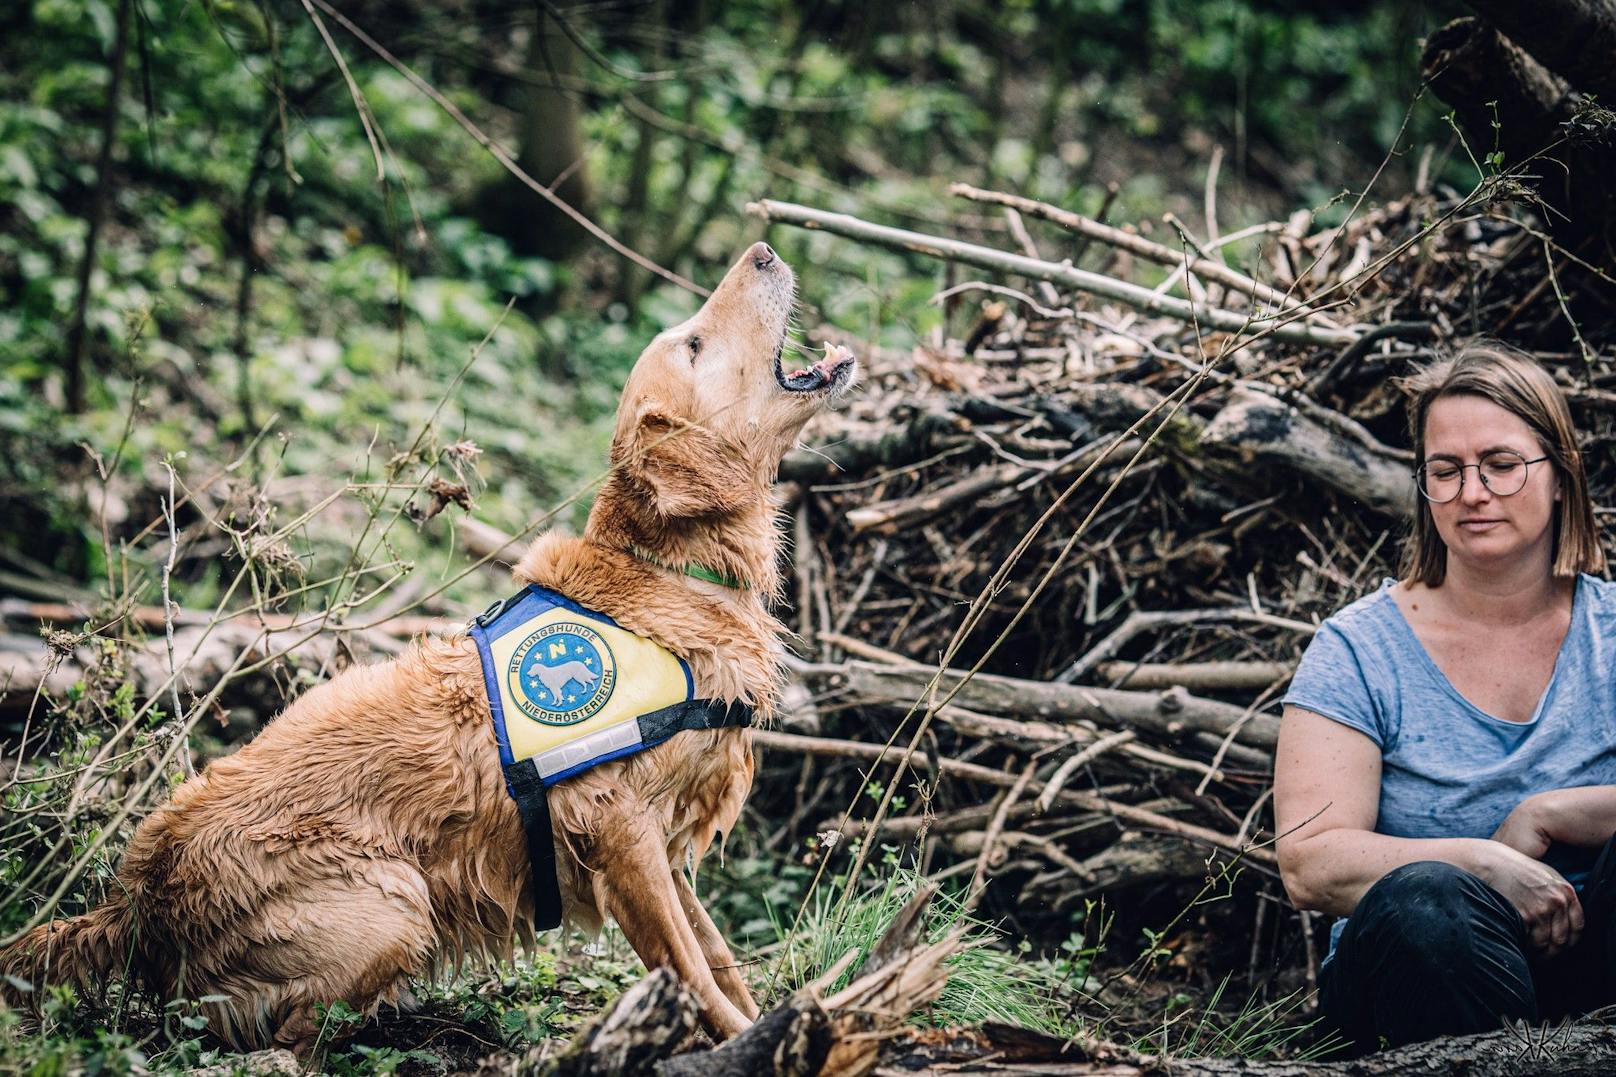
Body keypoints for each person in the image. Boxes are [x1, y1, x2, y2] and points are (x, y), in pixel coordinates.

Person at [1274, 341, 1616, 1053]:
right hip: (1422, 977)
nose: (1473, 492)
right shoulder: (1358, 650)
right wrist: (1482, 862)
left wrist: (1548, 813)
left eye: (1500, 464)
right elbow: (1308, 860)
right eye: (1446, 470)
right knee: (1424, 898)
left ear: (1561, 475)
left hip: (1597, 964)